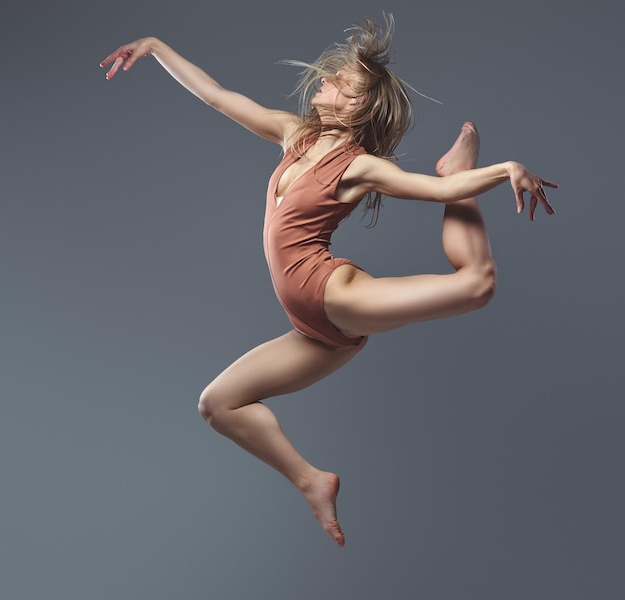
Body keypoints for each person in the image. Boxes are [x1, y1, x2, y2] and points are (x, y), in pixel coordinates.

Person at [100, 16, 556, 547]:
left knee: (478, 284)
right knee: (218, 404)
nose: (329, 79)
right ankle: (312, 481)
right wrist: (156, 46)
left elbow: (420, 191)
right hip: (316, 331)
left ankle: (460, 173)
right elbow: (219, 97)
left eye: (343, 82)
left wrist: (503, 170)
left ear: (358, 107)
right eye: (334, 73)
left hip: (333, 294)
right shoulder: (295, 135)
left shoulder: (359, 166)